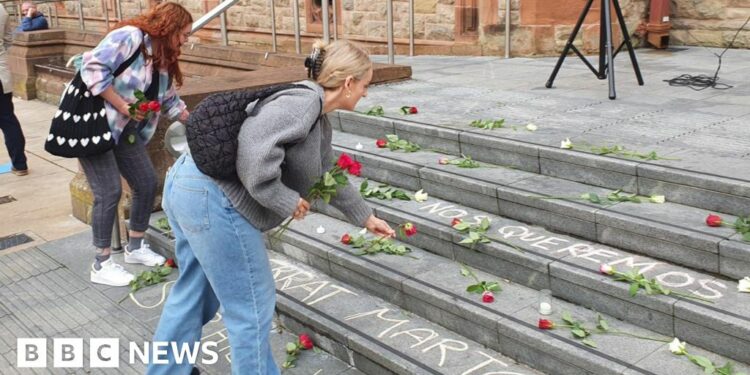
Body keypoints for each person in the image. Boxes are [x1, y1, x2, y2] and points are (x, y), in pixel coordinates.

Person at [148, 39, 395, 374]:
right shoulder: (302, 103)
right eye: (365, 85)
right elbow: (254, 157)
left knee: (196, 291)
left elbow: (326, 173)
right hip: (213, 197)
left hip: (192, 185)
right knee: (251, 307)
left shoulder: (316, 116)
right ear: (349, 82)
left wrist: (365, 217)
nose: (366, 93)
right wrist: (284, 199)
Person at [78, 2, 191, 286]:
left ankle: (136, 247)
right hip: (95, 126)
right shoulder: (129, 37)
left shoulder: (161, 56)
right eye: (184, 34)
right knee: (109, 192)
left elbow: (168, 100)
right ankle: (101, 264)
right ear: (169, 28)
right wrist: (124, 106)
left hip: (125, 130)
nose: (187, 40)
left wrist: (200, 121)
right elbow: (91, 67)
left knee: (146, 182)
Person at [1, 4, 29, 176]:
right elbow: (8, 40)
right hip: (1, 74)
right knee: (8, 120)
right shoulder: (1, 10)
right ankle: (20, 164)